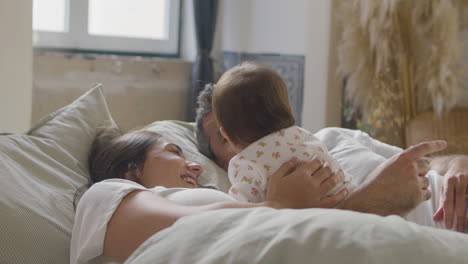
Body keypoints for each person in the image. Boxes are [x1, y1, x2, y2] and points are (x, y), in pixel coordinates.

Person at [195, 80, 468, 232]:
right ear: (222, 159)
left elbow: (428, 162)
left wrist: (458, 164)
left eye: (253, 117)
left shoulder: (330, 137)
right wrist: (369, 201)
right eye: (227, 134)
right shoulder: (263, 200)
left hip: (452, 194)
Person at [71, 127, 350, 263]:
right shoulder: (104, 194)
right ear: (131, 171)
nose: (196, 166)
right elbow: (182, 230)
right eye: (173, 151)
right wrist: (279, 204)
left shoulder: (220, 199)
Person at [211, 62, 353, 203]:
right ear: (291, 110)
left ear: (227, 135)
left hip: (315, 215)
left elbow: (243, 211)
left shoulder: (246, 164)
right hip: (347, 195)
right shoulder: (303, 136)